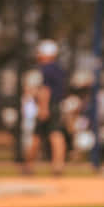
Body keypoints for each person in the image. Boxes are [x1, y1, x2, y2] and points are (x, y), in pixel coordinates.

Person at [24, 39, 68, 176]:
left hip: (46, 104)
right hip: (56, 104)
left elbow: (45, 90)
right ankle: (58, 165)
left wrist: (43, 108)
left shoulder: (44, 69)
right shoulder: (59, 69)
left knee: (37, 136)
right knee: (56, 134)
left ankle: (29, 166)